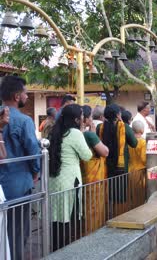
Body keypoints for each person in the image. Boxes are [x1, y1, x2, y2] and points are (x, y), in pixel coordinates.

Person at [0, 76, 40, 260]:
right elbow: (33, 149)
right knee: (17, 232)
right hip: (18, 185)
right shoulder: (24, 121)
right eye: (25, 93)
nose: (27, 96)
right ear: (17, 96)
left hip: (3, 186)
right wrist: (35, 172)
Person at [48, 104, 92, 251]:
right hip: (69, 182)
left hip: (55, 180)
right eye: (81, 116)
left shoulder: (56, 131)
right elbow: (87, 155)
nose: (83, 118)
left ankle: (55, 251)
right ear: (76, 119)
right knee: (68, 220)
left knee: (56, 219)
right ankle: (66, 253)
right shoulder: (74, 133)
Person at [98, 104, 138, 216]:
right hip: (120, 167)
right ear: (117, 115)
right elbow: (134, 143)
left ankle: (107, 215)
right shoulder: (124, 127)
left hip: (105, 165)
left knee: (108, 192)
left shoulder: (100, 128)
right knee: (120, 192)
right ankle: (118, 216)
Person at [80, 105, 109, 234]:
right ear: (85, 119)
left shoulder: (76, 133)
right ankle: (92, 231)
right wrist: (93, 134)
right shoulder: (89, 135)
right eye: (90, 117)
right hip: (94, 176)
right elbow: (105, 151)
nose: (92, 119)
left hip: (83, 174)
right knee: (94, 206)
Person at [128, 120, 147, 207]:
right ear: (142, 130)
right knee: (139, 197)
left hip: (130, 170)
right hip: (140, 172)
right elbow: (143, 159)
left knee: (131, 195)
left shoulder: (129, 141)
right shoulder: (142, 142)